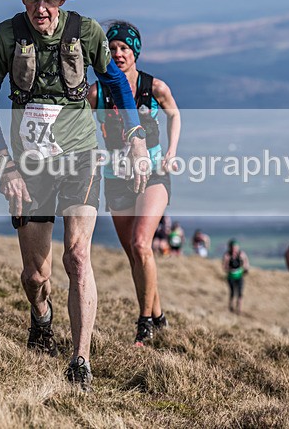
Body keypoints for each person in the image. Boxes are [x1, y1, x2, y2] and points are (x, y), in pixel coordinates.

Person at [0, 0, 150, 391]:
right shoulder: (5, 37)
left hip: (80, 158)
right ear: (25, 0)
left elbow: (117, 84)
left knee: (77, 256)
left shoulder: (86, 33)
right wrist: (5, 165)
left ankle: (80, 360)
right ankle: (41, 316)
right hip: (29, 166)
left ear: (61, 1)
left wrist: (136, 136)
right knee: (36, 276)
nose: (42, 8)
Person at [87, 20, 181, 346]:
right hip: (116, 177)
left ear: (135, 51)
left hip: (154, 171)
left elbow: (174, 114)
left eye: (124, 48)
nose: (118, 54)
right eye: (112, 49)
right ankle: (158, 316)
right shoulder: (98, 92)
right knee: (134, 253)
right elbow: (79, 125)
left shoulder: (153, 87)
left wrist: (171, 151)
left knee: (142, 244)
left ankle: (144, 324)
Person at [222, 239, 249, 314]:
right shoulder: (227, 255)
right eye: (233, 247)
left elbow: (246, 262)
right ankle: (231, 307)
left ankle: (239, 309)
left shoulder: (241, 254)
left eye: (236, 247)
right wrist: (229, 269)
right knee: (232, 293)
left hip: (239, 276)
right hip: (231, 277)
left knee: (240, 293)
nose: (234, 249)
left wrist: (245, 269)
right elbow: (224, 266)